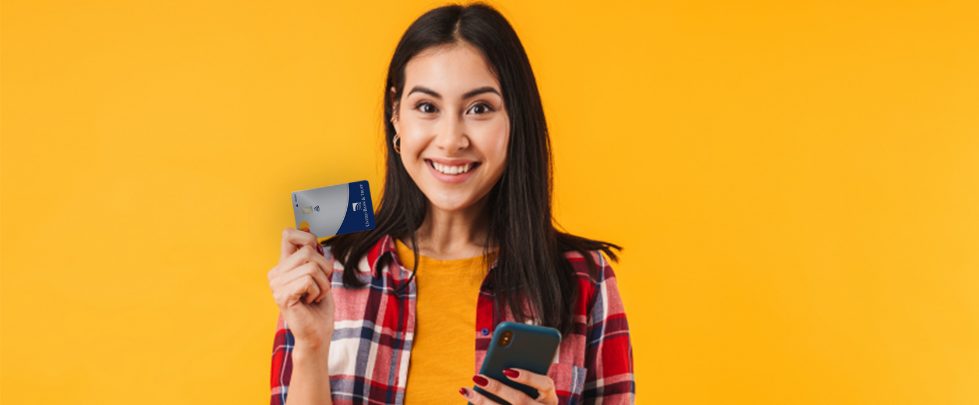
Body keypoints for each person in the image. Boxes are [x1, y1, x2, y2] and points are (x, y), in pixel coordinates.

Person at [267, 3, 635, 404]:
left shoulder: (586, 280)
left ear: (516, 118)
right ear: (396, 113)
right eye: (427, 107)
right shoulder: (329, 270)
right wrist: (309, 349)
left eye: (480, 108)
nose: (450, 139)